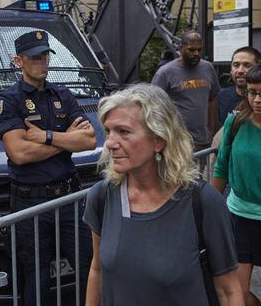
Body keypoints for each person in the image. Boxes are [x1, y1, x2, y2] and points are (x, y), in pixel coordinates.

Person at [84, 83, 243, 305]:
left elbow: (228, 290)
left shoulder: (202, 202)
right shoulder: (102, 197)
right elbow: (97, 270)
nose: (110, 143)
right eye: (109, 131)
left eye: (124, 132)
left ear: (158, 140)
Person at [0, 30, 96, 305]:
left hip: (69, 200)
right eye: (35, 57)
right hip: (30, 204)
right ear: (18, 61)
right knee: (36, 278)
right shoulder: (9, 100)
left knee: (89, 269)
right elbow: (19, 153)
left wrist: (47, 136)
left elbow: (89, 140)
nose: (43, 62)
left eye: (45, 55)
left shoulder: (63, 94)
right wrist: (66, 140)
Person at [212, 64, 261, 306]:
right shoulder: (236, 123)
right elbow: (220, 168)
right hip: (240, 217)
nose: (257, 99)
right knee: (237, 295)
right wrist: (208, 211)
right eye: (252, 92)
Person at [151, 31, 220, 156]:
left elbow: (213, 98)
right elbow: (153, 107)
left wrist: (211, 128)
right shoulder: (165, 73)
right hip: (178, 142)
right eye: (191, 50)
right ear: (181, 48)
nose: (196, 54)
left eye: (199, 50)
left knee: (201, 175)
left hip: (203, 140)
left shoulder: (208, 68)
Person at [218, 46, 260, 126]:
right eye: (236, 65)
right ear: (231, 69)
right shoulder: (222, 96)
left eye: (247, 65)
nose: (240, 71)